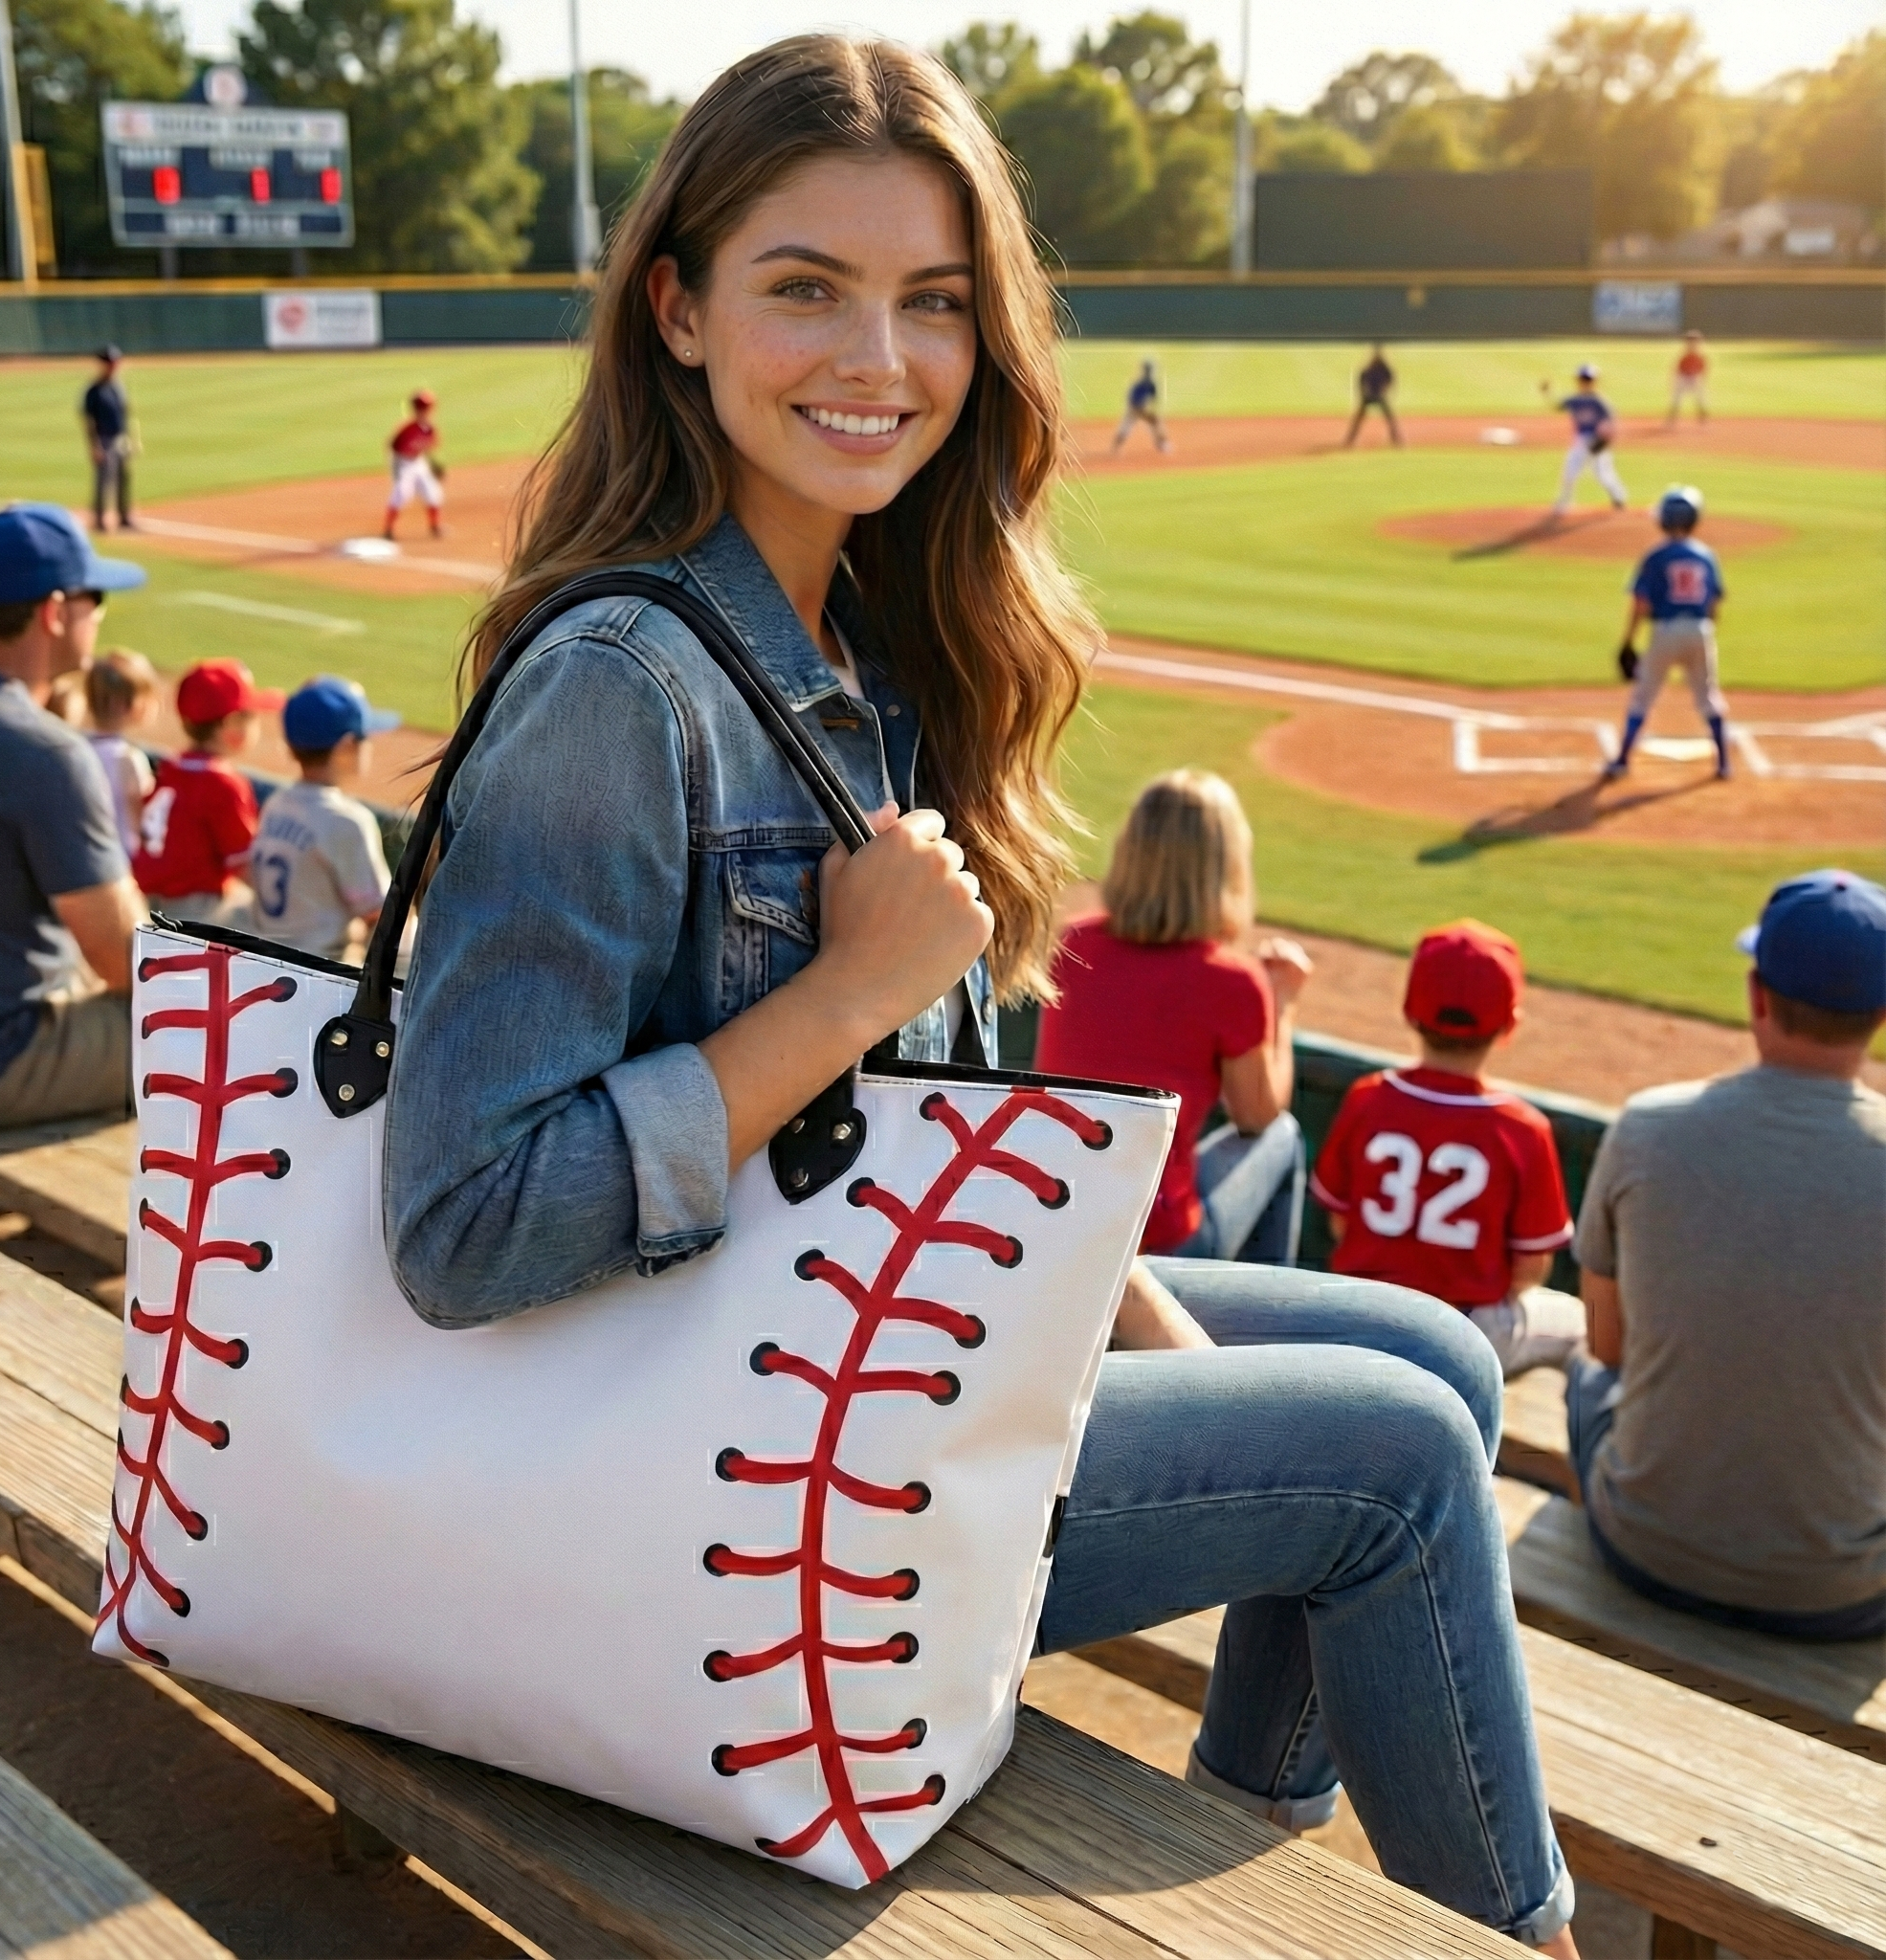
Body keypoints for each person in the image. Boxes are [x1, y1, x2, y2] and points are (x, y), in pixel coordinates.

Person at [380, 37, 1577, 1948]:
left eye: (932, 301)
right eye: (806, 288)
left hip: (853, 1315)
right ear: (677, 310)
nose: (881, 359)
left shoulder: (868, 642)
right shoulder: (624, 680)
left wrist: (1171, 1363)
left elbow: (948, 1142)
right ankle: (1523, 1935)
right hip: (717, 1457)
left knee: (1417, 1356)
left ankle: (1261, 1853)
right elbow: (462, 1225)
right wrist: (848, 992)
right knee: (1408, 1444)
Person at [1569, 871, 1886, 1640]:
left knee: (1580, 1369)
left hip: (1642, 1551)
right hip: (1845, 1597)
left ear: (1756, 995)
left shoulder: (1645, 1126)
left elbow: (1610, 1348)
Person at [0, 504, 148, 1128]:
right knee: (204, 1034)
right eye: (93, 596)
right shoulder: (44, 750)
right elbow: (127, 960)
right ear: (54, 611)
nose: (100, 613)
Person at [1034, 771, 1308, 1264]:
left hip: (1053, 1215)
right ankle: (1262, 1321)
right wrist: (1282, 1004)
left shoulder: (1074, 944)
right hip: (1159, 1244)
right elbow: (1258, 1117)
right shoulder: (1232, 980)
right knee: (1283, 1139)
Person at [1312, 921, 1583, 1380]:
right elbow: (1531, 1269)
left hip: (1360, 1317)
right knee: (1586, 1325)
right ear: (1510, 1025)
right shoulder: (1522, 1128)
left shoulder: (1367, 1097)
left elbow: (1340, 1221)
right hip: (1465, 1334)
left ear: (1409, 1012)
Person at [248, 676, 398, 961]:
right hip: (320, 972)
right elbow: (381, 916)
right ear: (346, 747)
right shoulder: (348, 821)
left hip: (264, 961)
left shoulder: (276, 804)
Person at [134, 659, 281, 926]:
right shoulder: (223, 781)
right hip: (192, 911)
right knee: (278, 926)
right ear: (231, 725)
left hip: (145, 901)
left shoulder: (171, 766)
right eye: (249, 715)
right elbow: (245, 865)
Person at [1603, 485, 1729, 782]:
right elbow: (1714, 603)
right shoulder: (1706, 556)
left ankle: (1621, 761)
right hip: (1701, 629)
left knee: (1643, 696)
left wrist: (1628, 641)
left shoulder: (1656, 557)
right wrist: (1703, 633)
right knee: (1708, 696)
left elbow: (1641, 603)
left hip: (1666, 631)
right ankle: (1724, 764)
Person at [85, 650, 161, 858]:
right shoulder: (128, 759)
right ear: (135, 706)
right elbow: (142, 820)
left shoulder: (78, 750)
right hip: (122, 859)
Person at [1541, 364, 1626, 515]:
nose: (1586, 382)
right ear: (1578, 381)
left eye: (1589, 379)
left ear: (1594, 381)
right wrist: (1547, 393)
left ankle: (1618, 497)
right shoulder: (1575, 400)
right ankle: (1563, 503)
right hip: (1580, 441)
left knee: (1603, 474)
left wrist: (1604, 441)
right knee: (1569, 472)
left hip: (1597, 441)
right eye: (1583, 379)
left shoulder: (1599, 401)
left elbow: (1612, 421)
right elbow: (1557, 406)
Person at [82, 345, 138, 534]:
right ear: (102, 364)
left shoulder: (118, 386)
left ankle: (124, 518)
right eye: (110, 363)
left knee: (124, 478)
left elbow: (124, 414)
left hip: (120, 438)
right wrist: (94, 446)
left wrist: (129, 439)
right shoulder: (94, 391)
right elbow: (89, 421)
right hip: (104, 440)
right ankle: (99, 520)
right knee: (104, 480)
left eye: (115, 362)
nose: (114, 366)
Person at [384, 390, 445, 540]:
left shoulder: (430, 429)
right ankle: (388, 530)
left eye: (426, 408)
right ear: (416, 409)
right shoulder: (407, 429)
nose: (424, 411)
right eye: (422, 408)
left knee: (433, 493)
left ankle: (435, 526)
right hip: (403, 463)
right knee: (401, 494)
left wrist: (432, 464)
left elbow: (425, 449)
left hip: (419, 463)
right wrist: (397, 469)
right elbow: (393, 448)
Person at [1343, 343, 1401, 448]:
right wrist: (1365, 393)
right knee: (1360, 418)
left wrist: (1383, 391)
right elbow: (1362, 381)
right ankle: (1350, 440)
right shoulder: (1373, 367)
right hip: (1370, 396)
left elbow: (1389, 380)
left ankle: (1396, 439)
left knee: (1389, 417)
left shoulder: (1379, 367)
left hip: (1377, 396)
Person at [1110, 359, 1169, 454]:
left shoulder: (1151, 384)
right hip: (1133, 409)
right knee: (1126, 427)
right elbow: (1132, 400)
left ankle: (1162, 445)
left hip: (1143, 409)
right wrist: (1141, 411)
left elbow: (1154, 399)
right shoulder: (1140, 384)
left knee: (1156, 422)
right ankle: (1115, 449)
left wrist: (1150, 411)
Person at [1667, 329, 1708, 427]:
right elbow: (1678, 369)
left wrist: (1698, 377)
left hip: (1695, 378)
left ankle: (1703, 420)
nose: (1692, 342)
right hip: (1683, 378)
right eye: (1690, 340)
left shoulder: (1699, 356)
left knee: (1701, 398)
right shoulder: (1685, 356)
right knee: (1676, 399)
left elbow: (1702, 369)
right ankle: (1672, 420)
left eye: (1695, 340)